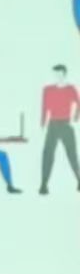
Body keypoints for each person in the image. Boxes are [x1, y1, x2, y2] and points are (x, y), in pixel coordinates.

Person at [39, 63, 80, 194]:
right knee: (47, 154)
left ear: (64, 74)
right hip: (52, 125)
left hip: (66, 124)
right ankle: (44, 185)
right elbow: (44, 107)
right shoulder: (47, 90)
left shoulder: (70, 89)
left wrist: (75, 118)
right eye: (55, 74)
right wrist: (42, 124)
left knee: (72, 154)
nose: (57, 77)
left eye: (59, 74)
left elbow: (79, 103)